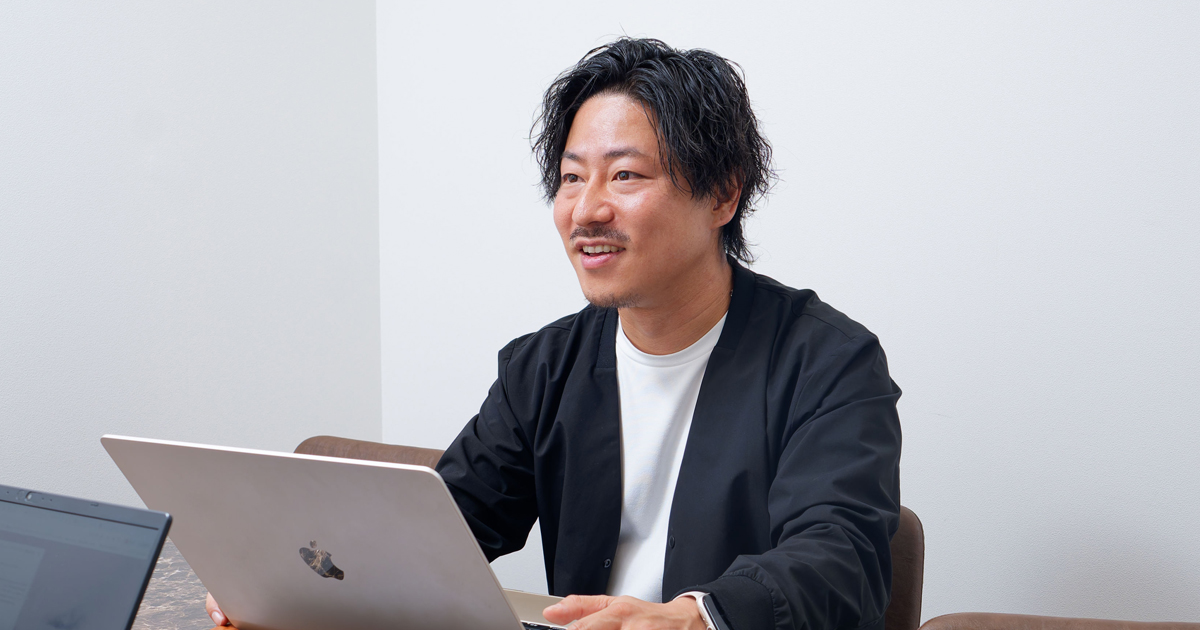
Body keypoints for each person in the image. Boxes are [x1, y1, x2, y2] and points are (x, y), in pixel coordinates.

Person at [208, 37, 901, 630]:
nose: (586, 209)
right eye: (571, 178)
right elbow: (443, 526)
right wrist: (291, 585)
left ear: (723, 193)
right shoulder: (545, 366)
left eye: (625, 175)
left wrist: (695, 616)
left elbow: (840, 556)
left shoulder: (828, 362)